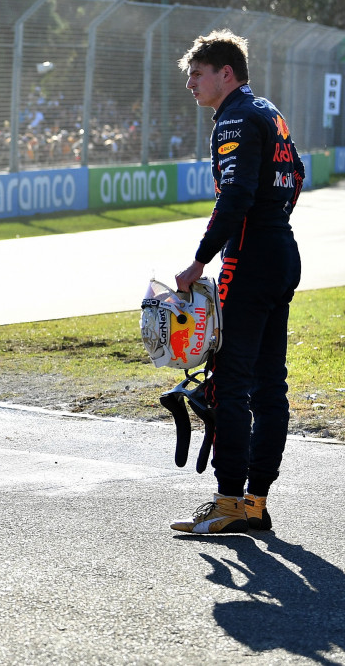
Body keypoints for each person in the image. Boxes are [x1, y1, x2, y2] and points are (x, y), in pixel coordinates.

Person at [170, 30, 303, 534]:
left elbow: (236, 194)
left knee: (229, 384)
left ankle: (228, 504)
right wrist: (272, 226)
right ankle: (254, 504)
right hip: (281, 253)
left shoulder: (235, 117)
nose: (190, 83)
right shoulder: (269, 112)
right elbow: (298, 175)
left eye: (197, 73)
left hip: (247, 260)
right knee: (271, 387)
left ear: (226, 73)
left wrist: (200, 261)